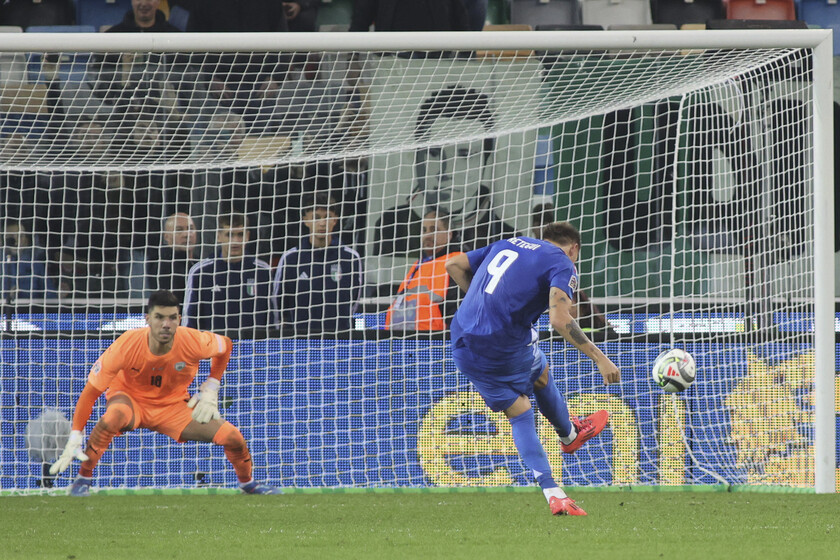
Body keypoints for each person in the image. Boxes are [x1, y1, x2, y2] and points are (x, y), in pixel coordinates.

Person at [445, 222, 621, 516]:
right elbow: (560, 320)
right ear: (574, 248)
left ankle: (554, 492)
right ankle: (569, 434)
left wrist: (488, 304)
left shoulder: (510, 243)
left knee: (521, 407)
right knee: (538, 370)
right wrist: (600, 358)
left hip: (462, 339)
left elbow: (454, 264)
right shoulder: (562, 263)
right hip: (502, 345)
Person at [50, 290, 281, 496]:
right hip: (131, 401)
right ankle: (83, 479)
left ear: (179, 319)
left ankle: (248, 484)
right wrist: (76, 435)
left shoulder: (192, 340)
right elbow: (90, 393)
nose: (166, 324)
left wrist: (212, 385)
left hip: (173, 407)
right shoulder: (126, 345)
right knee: (113, 417)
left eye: (172, 318)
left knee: (233, 437)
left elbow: (226, 345)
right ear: (148, 319)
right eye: (160, 317)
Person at [375, 86, 515, 257]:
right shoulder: (391, 225)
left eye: (465, 155)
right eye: (434, 153)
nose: (446, 172)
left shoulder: (506, 235)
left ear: (485, 161)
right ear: (417, 157)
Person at [273, 193, 364, 334]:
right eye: (316, 217)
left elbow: (354, 302)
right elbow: (279, 303)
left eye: (327, 217)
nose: (322, 223)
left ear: (335, 220)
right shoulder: (290, 259)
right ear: (305, 221)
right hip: (300, 341)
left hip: (339, 341)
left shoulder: (350, 258)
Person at [182, 213, 274, 337]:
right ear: (219, 236)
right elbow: (189, 320)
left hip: (254, 351)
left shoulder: (263, 272)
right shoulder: (201, 272)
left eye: (240, 235)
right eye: (229, 235)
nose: (235, 241)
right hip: (213, 350)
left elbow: (273, 319)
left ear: (247, 236)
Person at [385, 209, 463, 331]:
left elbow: (458, 311)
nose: (427, 235)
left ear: (449, 234)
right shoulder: (419, 265)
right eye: (424, 230)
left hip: (434, 343)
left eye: (434, 230)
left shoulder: (456, 261)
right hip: (400, 341)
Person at [147, 213, 199, 304]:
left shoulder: (199, 263)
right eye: (179, 230)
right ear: (166, 237)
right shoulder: (161, 265)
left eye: (190, 229)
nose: (187, 234)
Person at [0, 220, 56, 301]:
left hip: (31, 312)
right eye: (11, 237)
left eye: (20, 236)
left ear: (25, 239)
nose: (16, 241)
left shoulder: (35, 264)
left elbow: (50, 295)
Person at [349, 0, 469, 32]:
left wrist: (467, 53)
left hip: (438, 55)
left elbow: (459, 13)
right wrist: (352, 59)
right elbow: (361, 14)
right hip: (392, 56)